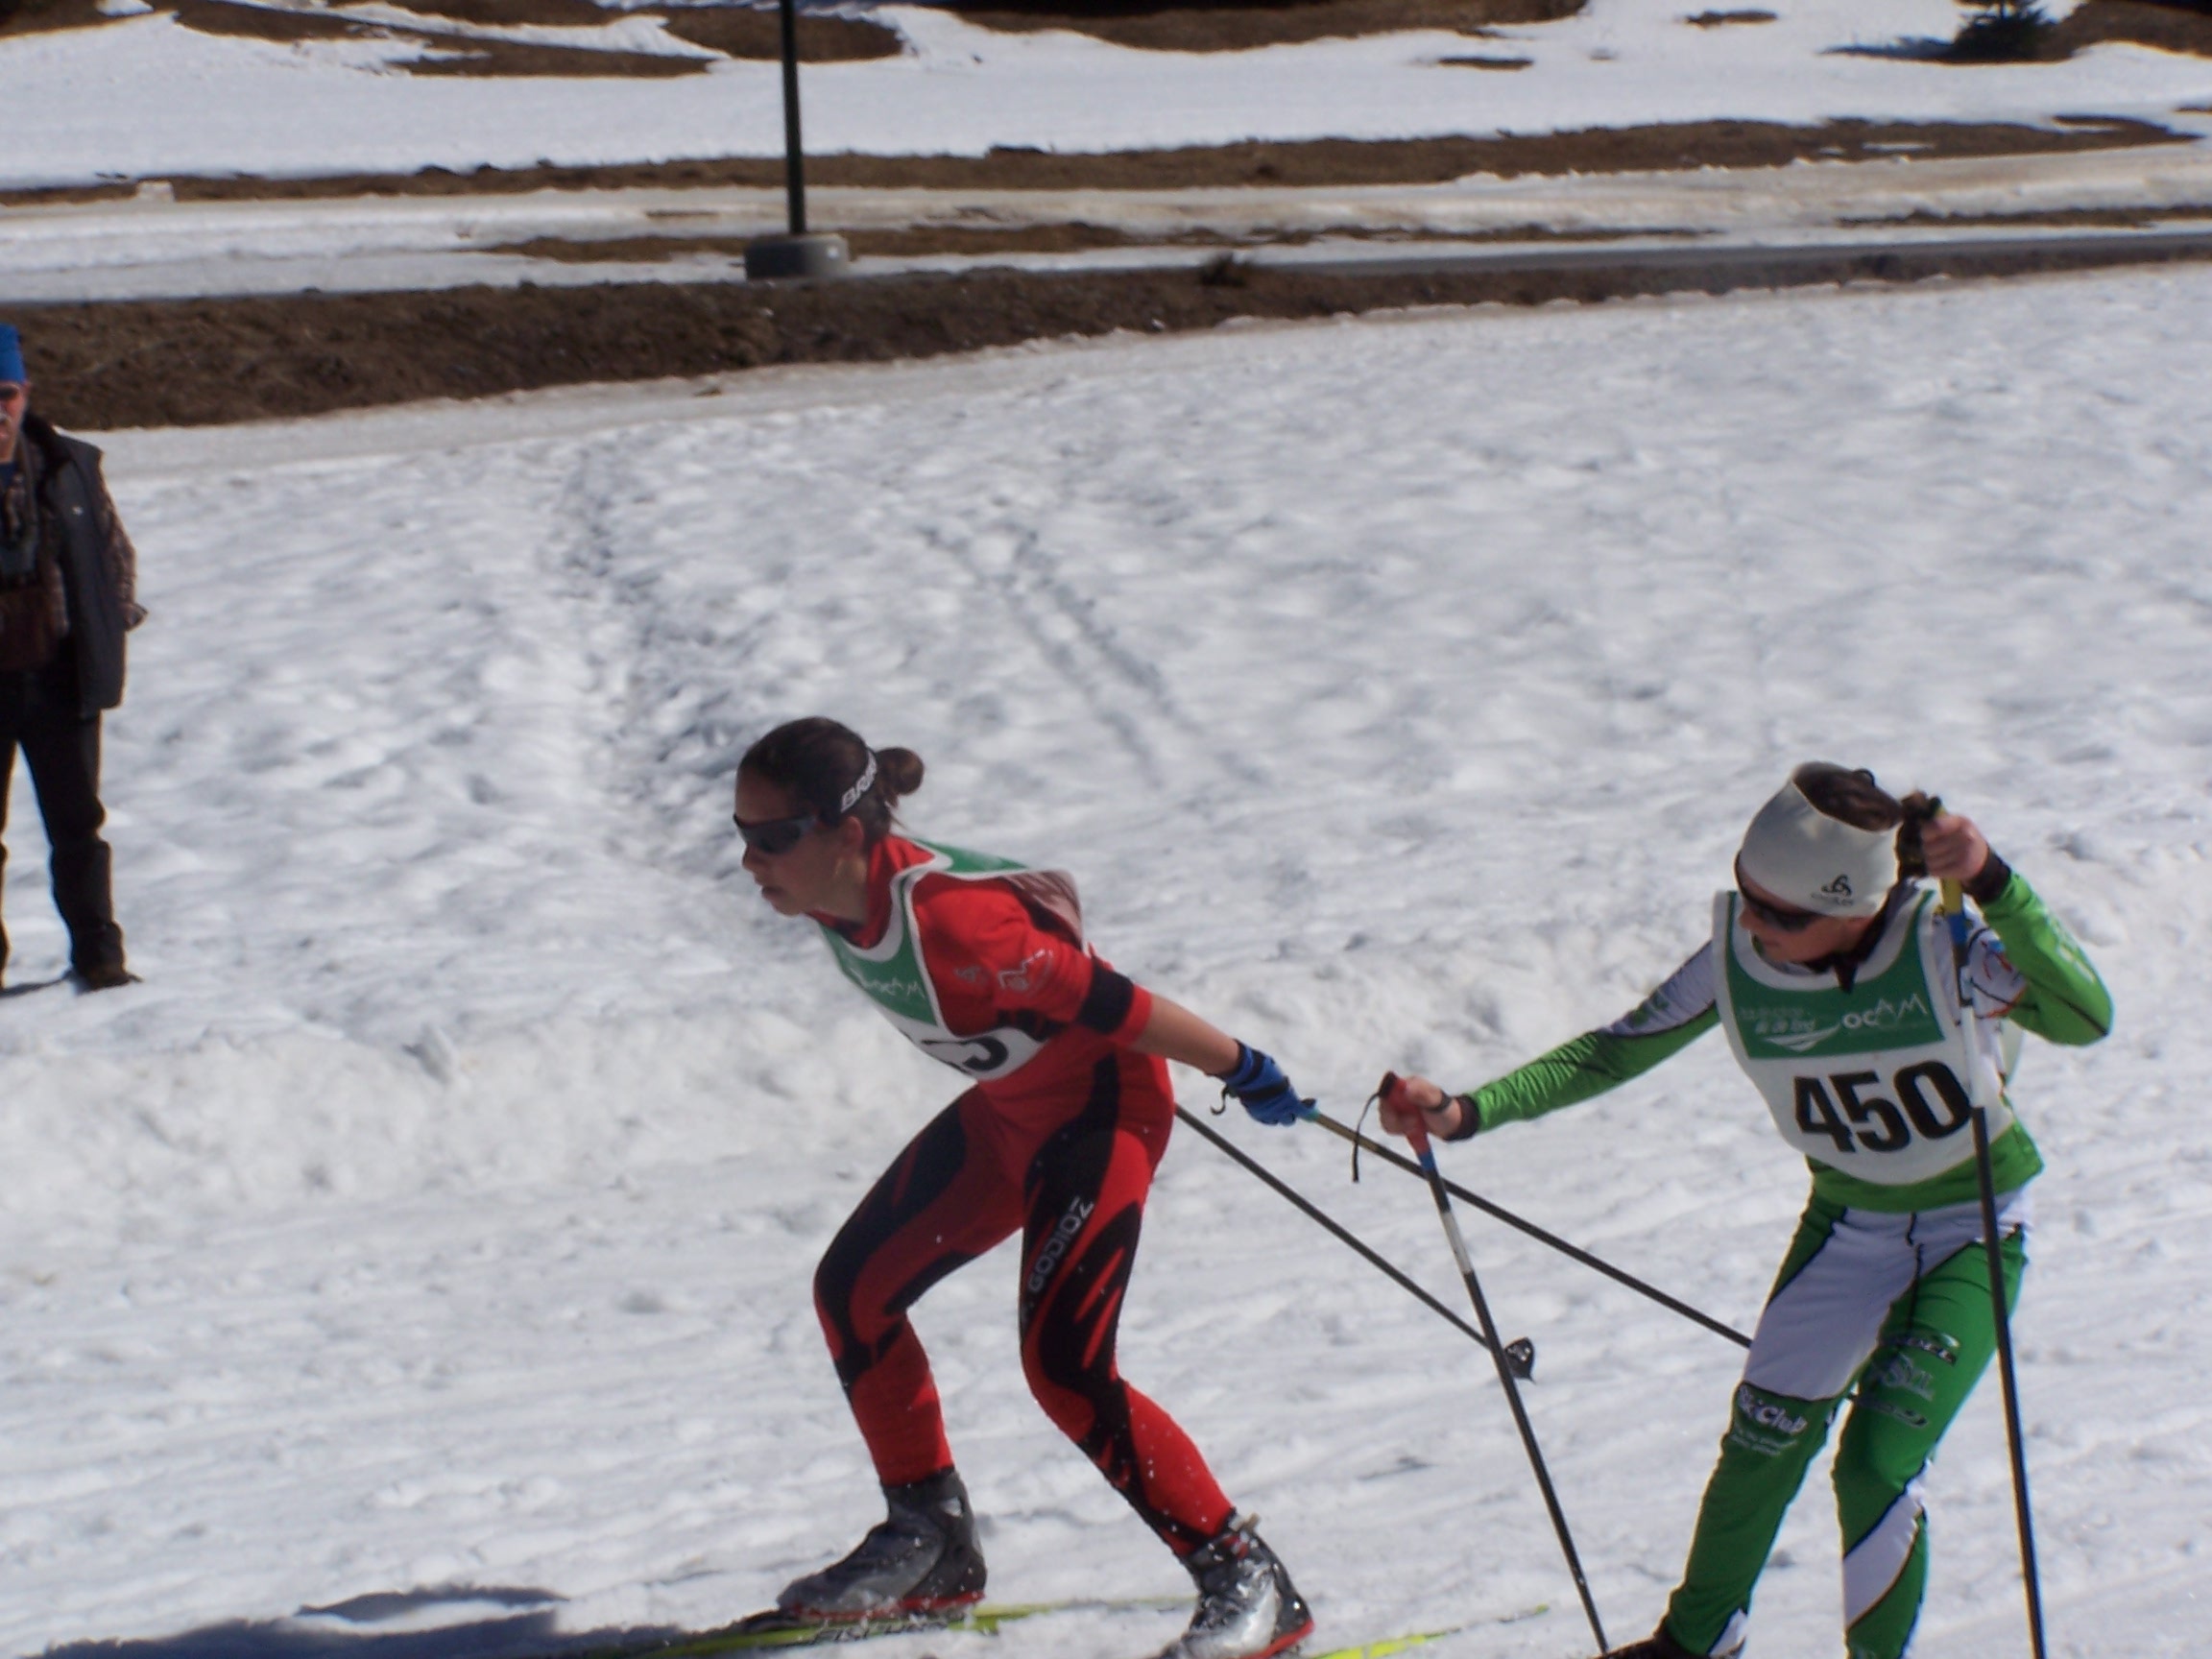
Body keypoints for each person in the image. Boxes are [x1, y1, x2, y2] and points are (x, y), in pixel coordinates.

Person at [1375, 763, 2111, 1659]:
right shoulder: (1736, 961)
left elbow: (2085, 1016)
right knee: (1762, 1441)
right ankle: (1694, 1645)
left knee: (1874, 1464)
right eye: (1746, 896)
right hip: (1849, 1229)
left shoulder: (1944, 945)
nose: (1755, 925)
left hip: (1972, 1229)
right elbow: (1613, 1051)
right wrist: (1465, 1111)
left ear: (1856, 908)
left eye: (1783, 915)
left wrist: (1994, 882)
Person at [733, 716, 1314, 1659]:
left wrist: (1243, 1067)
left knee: (1066, 1368)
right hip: (1011, 1117)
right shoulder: (829, 896)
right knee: (854, 1293)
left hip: (1100, 1116)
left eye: (772, 836)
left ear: (844, 833)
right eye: (741, 833)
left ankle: (1246, 1577)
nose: (750, 859)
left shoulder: (957, 928)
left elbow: (1117, 1004)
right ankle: (930, 1546)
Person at [0, 322, 144, 992]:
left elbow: (113, 555)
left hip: (58, 680)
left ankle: (99, 957)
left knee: (78, 826)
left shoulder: (69, 468)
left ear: (25, 393)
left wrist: (109, 623)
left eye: (5, 394)